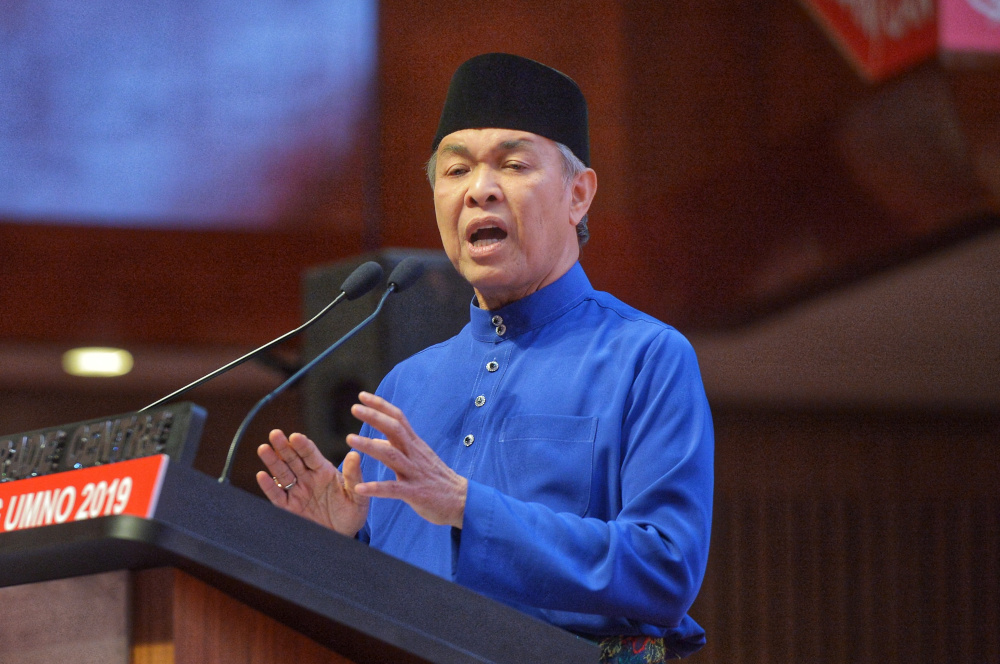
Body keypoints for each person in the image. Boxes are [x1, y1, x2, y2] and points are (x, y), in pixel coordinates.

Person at [256, 53, 714, 661]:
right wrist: (340, 547)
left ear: (578, 194)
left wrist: (469, 508)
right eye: (455, 170)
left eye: (514, 164)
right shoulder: (403, 386)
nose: (479, 190)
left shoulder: (647, 358)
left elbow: (664, 570)